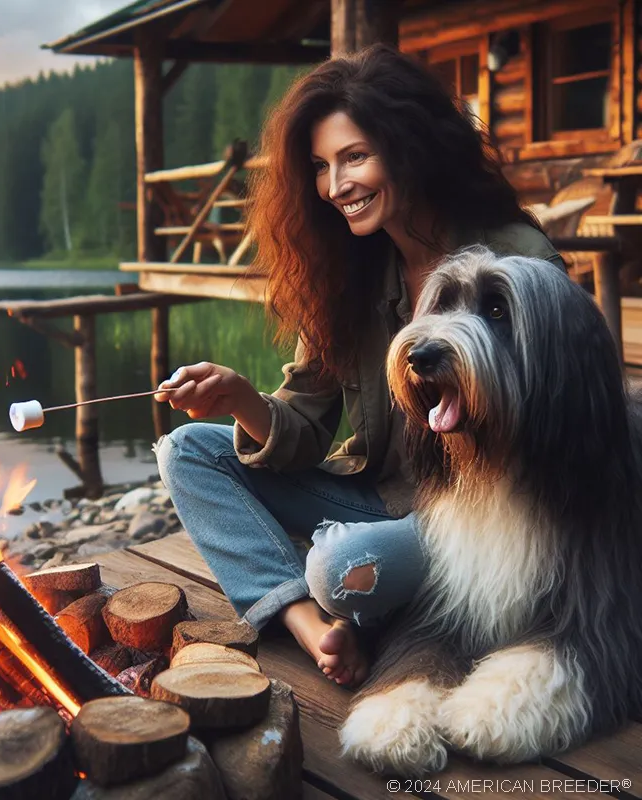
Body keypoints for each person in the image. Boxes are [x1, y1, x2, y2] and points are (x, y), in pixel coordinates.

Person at [153, 43, 564, 688]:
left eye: (354, 157)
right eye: (320, 166)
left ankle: (372, 601)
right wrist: (238, 400)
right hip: (378, 497)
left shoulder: (513, 260)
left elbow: (560, 428)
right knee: (187, 451)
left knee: (342, 565)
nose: (335, 186)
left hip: (485, 520)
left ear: (410, 148)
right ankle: (305, 622)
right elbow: (307, 431)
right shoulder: (344, 271)